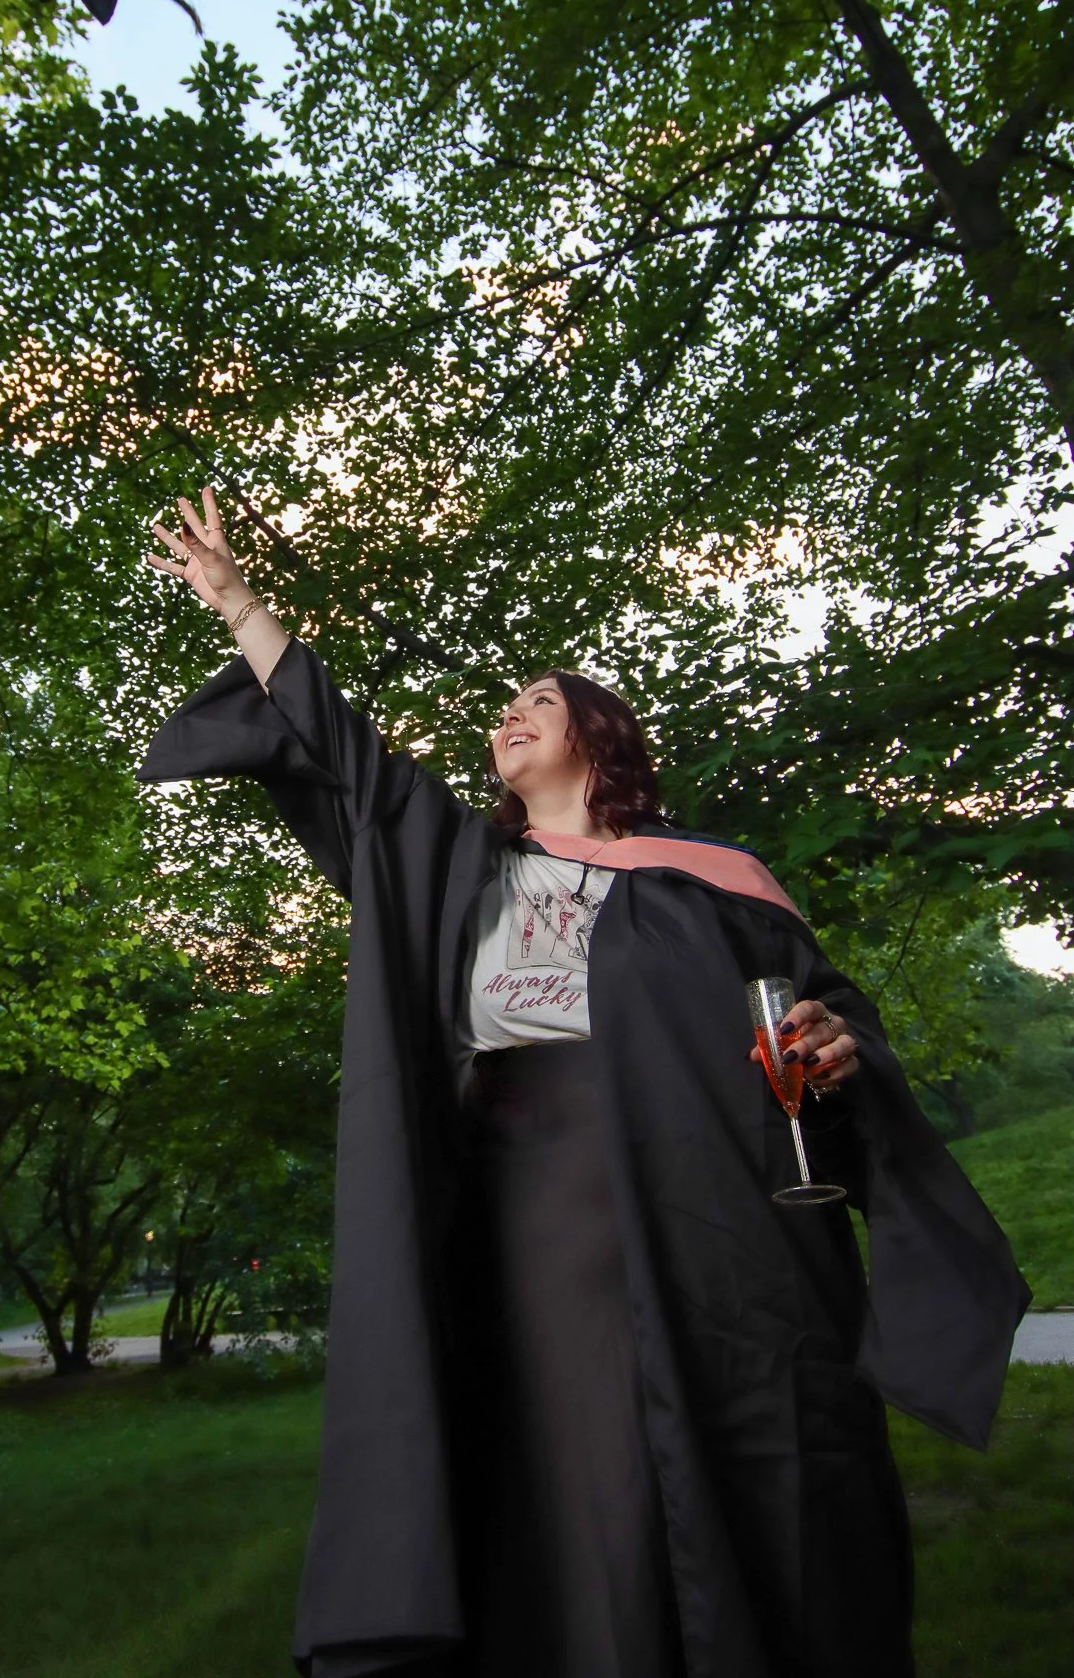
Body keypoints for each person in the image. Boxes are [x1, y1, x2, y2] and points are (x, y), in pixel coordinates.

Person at [140, 488, 1029, 1678]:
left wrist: (834, 1044)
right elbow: (347, 755)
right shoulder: (466, 863)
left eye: (539, 702)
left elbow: (828, 1009)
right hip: (538, 1203)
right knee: (577, 1468)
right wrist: (241, 603)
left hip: (720, 1197)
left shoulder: (716, 875)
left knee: (751, 1453)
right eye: (504, 708)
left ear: (598, 737)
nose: (510, 716)